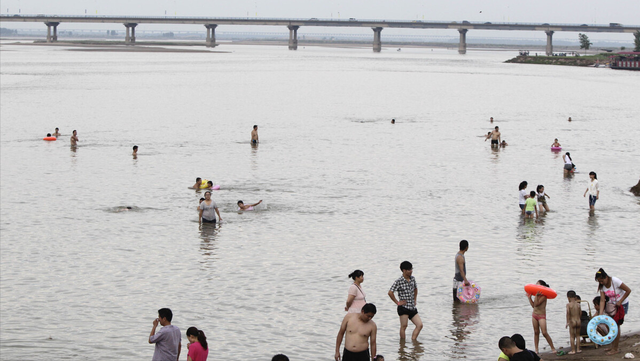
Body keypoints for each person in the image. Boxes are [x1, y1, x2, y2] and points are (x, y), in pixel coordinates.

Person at [595, 268, 631, 355]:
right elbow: (602, 300)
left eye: (602, 280)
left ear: (606, 277)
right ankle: (612, 345)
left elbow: (628, 290)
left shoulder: (615, 281)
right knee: (609, 325)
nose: (601, 283)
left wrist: (620, 301)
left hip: (622, 305)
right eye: (599, 281)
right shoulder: (602, 286)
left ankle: (615, 348)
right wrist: (600, 314)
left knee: (616, 326)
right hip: (611, 306)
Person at [388, 261, 423, 341]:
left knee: (419, 325)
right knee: (404, 326)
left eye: (411, 269)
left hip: (412, 306)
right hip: (403, 307)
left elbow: (415, 289)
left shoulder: (413, 279)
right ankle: (402, 344)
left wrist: (415, 299)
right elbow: (390, 292)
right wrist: (397, 302)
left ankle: (414, 341)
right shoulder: (399, 281)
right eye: (409, 269)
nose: (411, 271)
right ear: (404, 270)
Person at [527, 280, 556, 354]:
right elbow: (533, 306)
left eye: (537, 284)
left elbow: (537, 304)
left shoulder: (543, 296)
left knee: (544, 332)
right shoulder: (537, 295)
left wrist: (536, 296)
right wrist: (529, 298)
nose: (535, 285)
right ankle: (536, 349)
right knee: (536, 332)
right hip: (534, 315)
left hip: (541, 316)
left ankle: (552, 348)